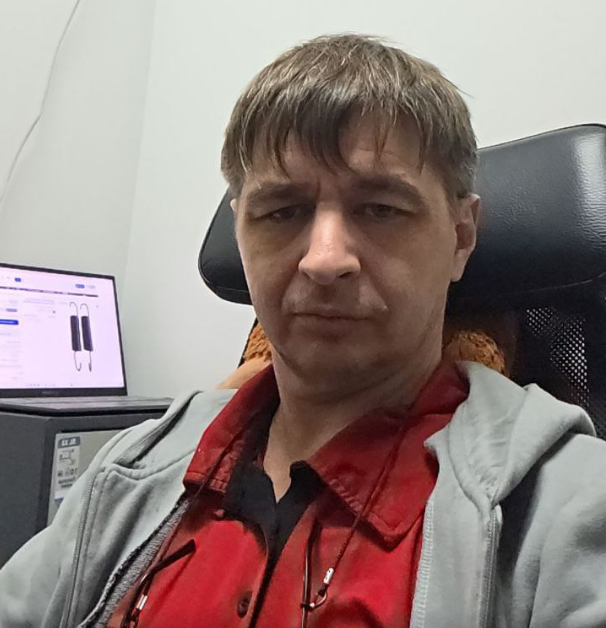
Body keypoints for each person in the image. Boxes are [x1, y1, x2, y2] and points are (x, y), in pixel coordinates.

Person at [1, 33, 605, 628]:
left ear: (461, 237)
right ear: (240, 233)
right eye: (282, 211)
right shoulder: (131, 467)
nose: (324, 259)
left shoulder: (565, 507)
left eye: (381, 209)